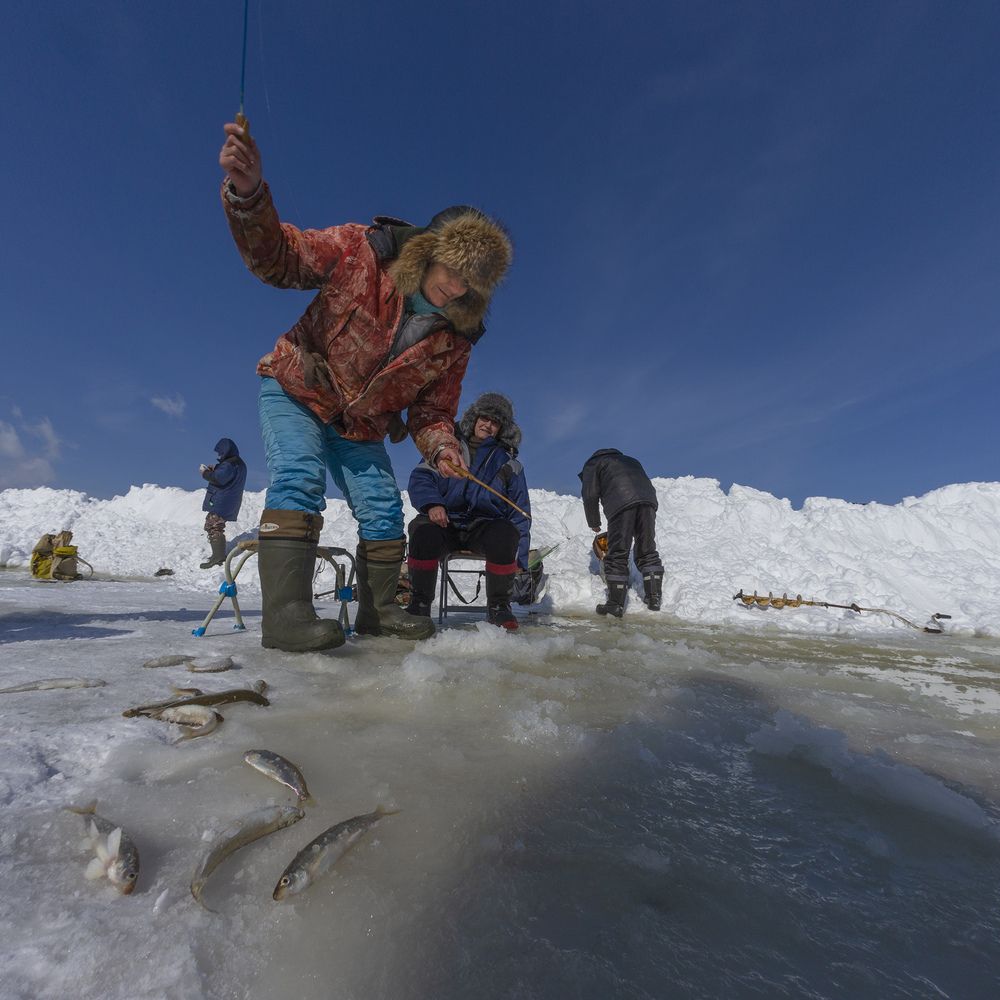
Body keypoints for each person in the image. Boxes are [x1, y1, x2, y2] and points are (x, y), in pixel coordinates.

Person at [218, 121, 513, 652]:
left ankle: (379, 612)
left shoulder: (455, 340)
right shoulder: (362, 251)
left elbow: (431, 413)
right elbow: (279, 259)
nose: (455, 286)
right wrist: (249, 193)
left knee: (381, 506)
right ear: (426, 251)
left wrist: (447, 450)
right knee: (299, 479)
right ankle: (286, 616)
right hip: (298, 390)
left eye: (469, 282)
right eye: (451, 268)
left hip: (359, 425)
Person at [405, 393, 530, 630]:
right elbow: (420, 479)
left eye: (495, 422)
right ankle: (419, 605)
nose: (488, 425)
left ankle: (499, 608)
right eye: (485, 418)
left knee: (505, 532)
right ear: (474, 418)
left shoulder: (509, 463)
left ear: (501, 428)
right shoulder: (445, 448)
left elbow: (520, 511)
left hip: (483, 526)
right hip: (445, 523)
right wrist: (433, 504)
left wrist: (521, 558)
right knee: (422, 530)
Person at [578, 448, 663, 617]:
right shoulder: (631, 460)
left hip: (621, 503)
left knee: (618, 553)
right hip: (648, 501)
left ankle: (615, 604)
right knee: (647, 549)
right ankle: (654, 598)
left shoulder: (593, 464)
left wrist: (594, 522)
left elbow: (590, 495)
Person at [199, 438, 247, 569]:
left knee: (213, 526)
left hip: (222, 501)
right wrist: (216, 468)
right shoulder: (238, 464)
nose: (219, 456)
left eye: (220, 453)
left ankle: (218, 557)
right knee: (214, 524)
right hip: (229, 500)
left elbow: (218, 478)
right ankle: (217, 555)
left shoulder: (229, 464)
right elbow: (225, 476)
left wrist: (205, 473)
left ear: (226, 450)